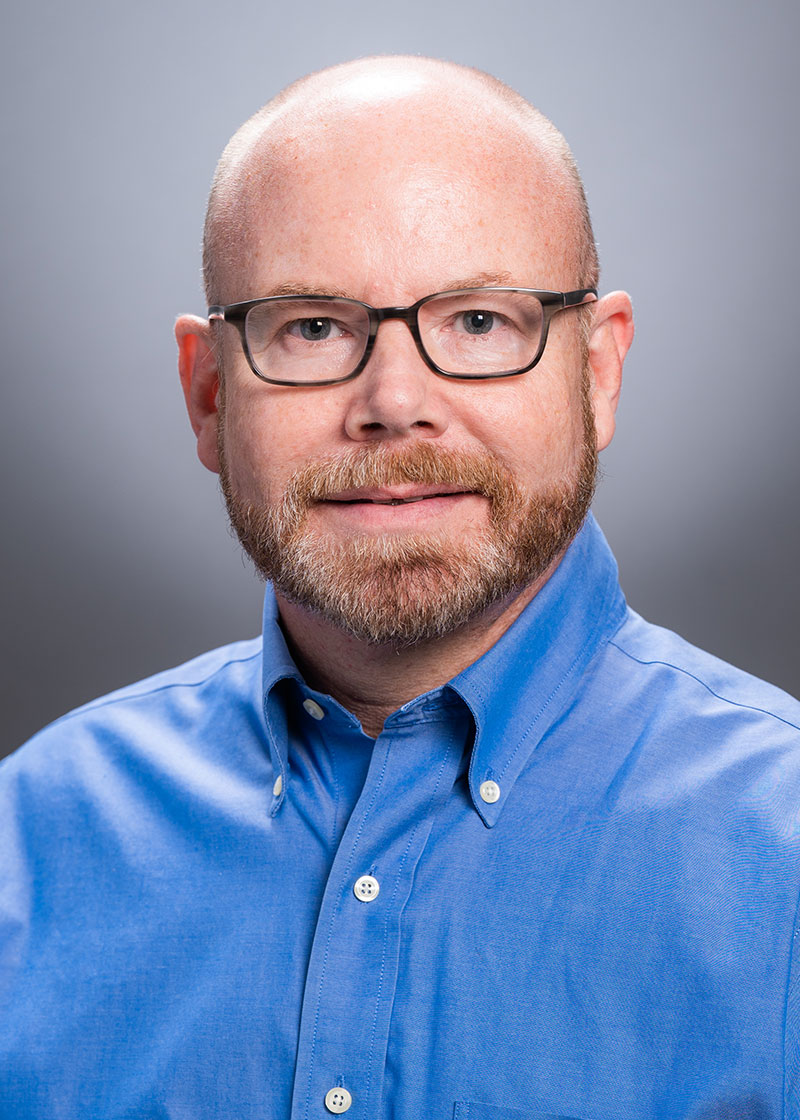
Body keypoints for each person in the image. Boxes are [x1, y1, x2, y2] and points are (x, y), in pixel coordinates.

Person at [1, 54, 799, 1120]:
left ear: (598, 373)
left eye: (479, 322)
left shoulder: (782, 853)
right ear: (208, 397)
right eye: (312, 327)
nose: (394, 402)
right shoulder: (29, 846)